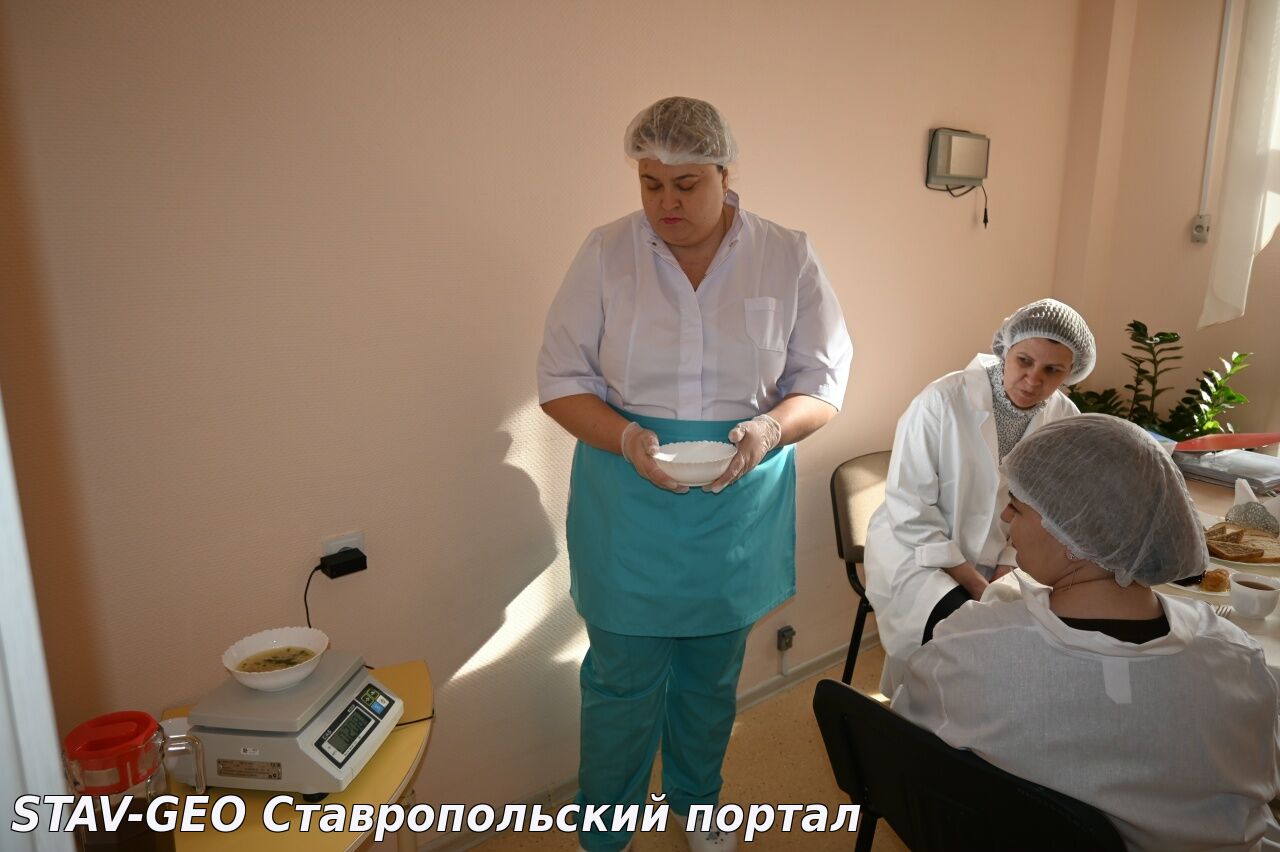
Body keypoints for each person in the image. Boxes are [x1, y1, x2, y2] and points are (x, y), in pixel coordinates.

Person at [536, 96, 851, 852]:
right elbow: (560, 382)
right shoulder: (606, 252)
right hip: (627, 496)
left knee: (712, 676)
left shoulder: (786, 255)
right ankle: (605, 828)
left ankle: (696, 802)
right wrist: (626, 438)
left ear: (724, 173)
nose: (665, 203)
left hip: (740, 495)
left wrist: (770, 429)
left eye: (685, 184)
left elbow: (822, 383)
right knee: (621, 679)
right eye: (650, 184)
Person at [892, 414, 1280, 850]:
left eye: (1018, 506)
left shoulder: (968, 648)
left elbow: (907, 744)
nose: (1004, 515)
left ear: (1071, 534)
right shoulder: (1238, 663)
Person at [864, 298, 1095, 693]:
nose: (1033, 380)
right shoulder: (940, 401)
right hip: (920, 550)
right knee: (960, 638)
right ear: (1005, 351)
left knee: (1032, 643)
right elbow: (910, 508)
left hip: (1011, 553)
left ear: (1071, 372)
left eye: (1052, 370)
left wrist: (1008, 565)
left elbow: (1045, 508)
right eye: (1024, 361)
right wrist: (976, 584)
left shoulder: (1064, 419)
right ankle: (918, 719)